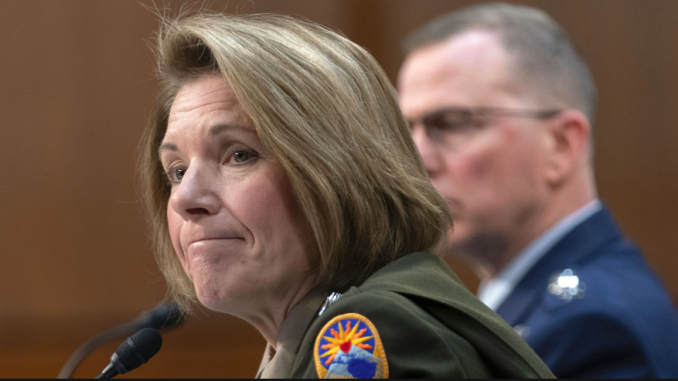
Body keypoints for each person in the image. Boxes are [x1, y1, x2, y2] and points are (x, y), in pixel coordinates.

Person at [139, 12, 554, 379]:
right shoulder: (312, 339)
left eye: (239, 155)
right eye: (176, 171)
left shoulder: (372, 336)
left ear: (337, 170)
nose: (185, 198)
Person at [398, 2, 678, 378]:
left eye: (451, 123)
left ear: (561, 145)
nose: (418, 159)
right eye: (405, 131)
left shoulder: (596, 327)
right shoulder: (535, 309)